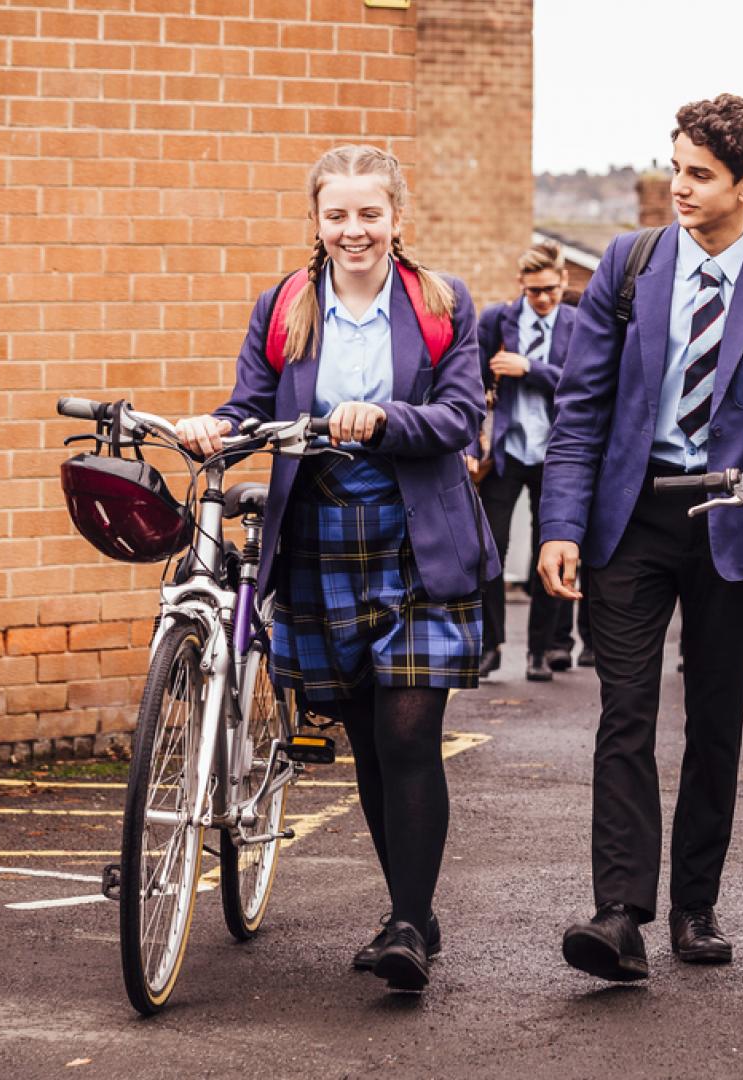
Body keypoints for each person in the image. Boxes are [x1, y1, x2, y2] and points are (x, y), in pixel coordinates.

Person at [537, 94, 743, 982]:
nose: (678, 186)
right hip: (632, 516)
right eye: (675, 166)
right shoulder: (629, 264)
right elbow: (580, 410)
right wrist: (560, 524)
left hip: (736, 514)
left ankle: (695, 906)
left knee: (716, 719)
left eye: (699, 175)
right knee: (626, 712)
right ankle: (619, 914)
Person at [174, 144, 497, 994]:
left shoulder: (440, 303)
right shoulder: (285, 305)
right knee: (366, 739)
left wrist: (384, 419)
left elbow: (460, 416)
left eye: (369, 214)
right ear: (316, 220)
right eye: (336, 215)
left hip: (416, 538)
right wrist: (215, 425)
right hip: (317, 539)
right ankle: (414, 911)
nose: (353, 230)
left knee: (407, 732)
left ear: (398, 217)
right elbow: (252, 405)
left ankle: (405, 929)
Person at [470, 239, 582, 682]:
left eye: (550, 290)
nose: (542, 299)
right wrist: (469, 442)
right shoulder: (497, 320)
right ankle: (490, 646)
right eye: (534, 290)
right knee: (489, 550)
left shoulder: (577, 324)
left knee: (548, 552)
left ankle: (541, 650)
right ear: (521, 285)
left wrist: (530, 368)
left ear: (564, 282)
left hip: (556, 456)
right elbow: (471, 382)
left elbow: (582, 387)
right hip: (506, 454)